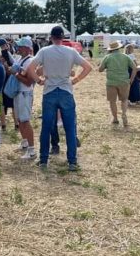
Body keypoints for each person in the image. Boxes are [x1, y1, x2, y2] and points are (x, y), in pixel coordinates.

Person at [27, 26, 93, 171]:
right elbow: (88, 67)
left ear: (51, 37)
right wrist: (75, 80)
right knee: (70, 128)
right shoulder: (71, 51)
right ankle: (72, 161)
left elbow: (30, 68)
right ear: (63, 38)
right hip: (66, 90)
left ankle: (44, 160)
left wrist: (39, 80)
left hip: (49, 90)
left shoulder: (44, 51)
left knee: (46, 127)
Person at [98, 41, 137, 127]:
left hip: (111, 82)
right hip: (124, 81)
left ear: (111, 49)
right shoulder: (125, 56)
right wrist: (131, 79)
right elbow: (134, 68)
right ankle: (123, 114)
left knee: (112, 101)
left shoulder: (107, 57)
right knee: (124, 100)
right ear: (119, 48)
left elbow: (100, 69)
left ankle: (115, 118)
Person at [12, 37, 36, 159]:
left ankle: (31, 150)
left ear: (27, 48)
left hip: (25, 93)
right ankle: (25, 142)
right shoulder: (21, 59)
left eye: (20, 46)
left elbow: (29, 82)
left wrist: (15, 74)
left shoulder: (30, 61)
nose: (18, 48)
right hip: (19, 92)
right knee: (20, 119)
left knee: (25, 120)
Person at [0, 38, 16, 131]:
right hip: (9, 79)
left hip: (0, 79)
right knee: (12, 103)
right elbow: (14, 64)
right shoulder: (7, 53)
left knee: (2, 103)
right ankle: (16, 124)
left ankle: (3, 124)